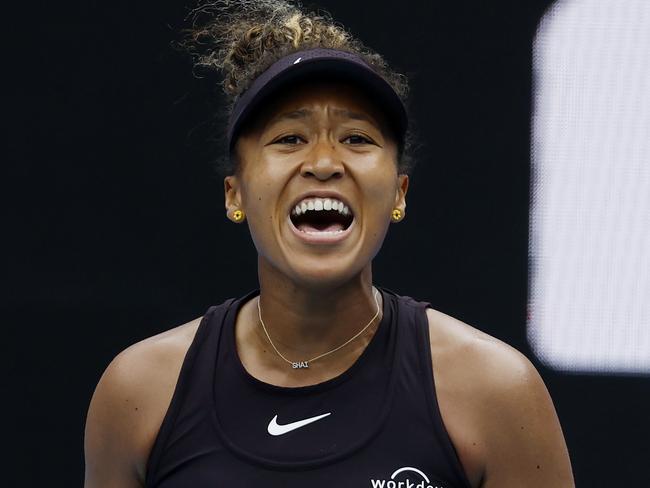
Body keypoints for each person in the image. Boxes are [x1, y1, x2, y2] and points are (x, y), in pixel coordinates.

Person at [83, 1, 575, 487]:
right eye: (289, 139)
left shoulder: (496, 392)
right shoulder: (139, 393)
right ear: (235, 194)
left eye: (357, 138)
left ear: (399, 194)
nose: (324, 162)